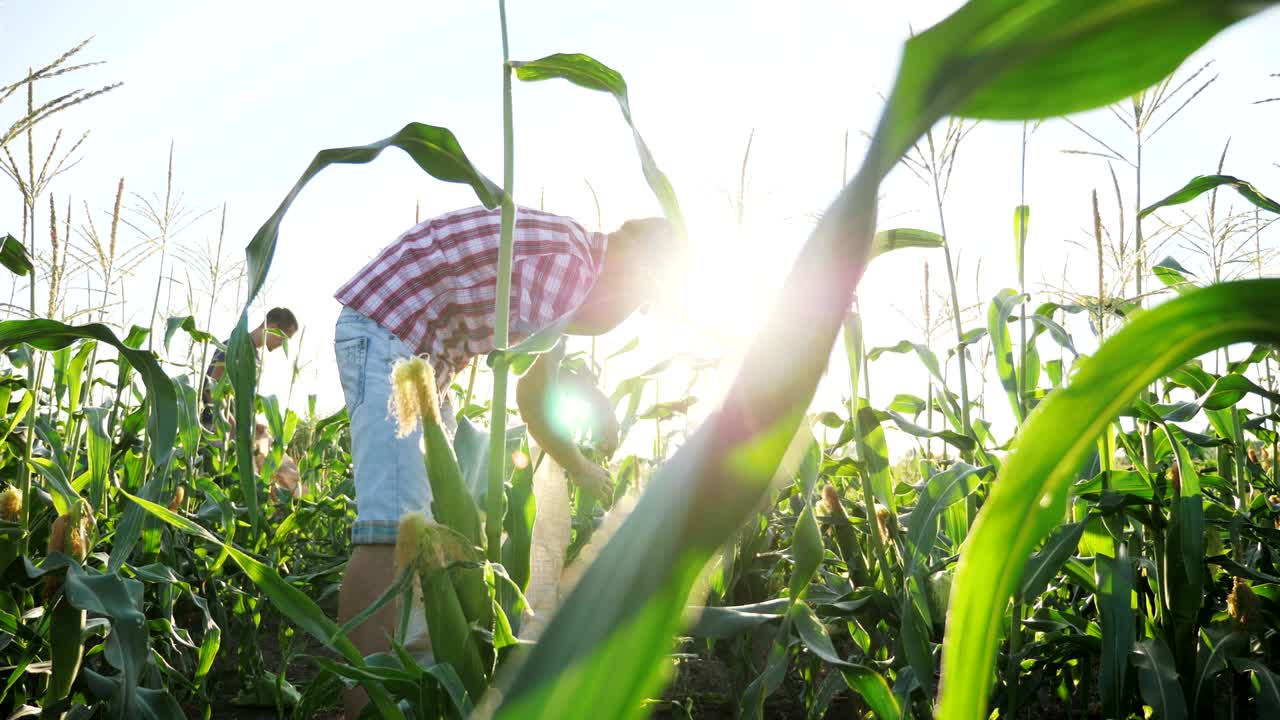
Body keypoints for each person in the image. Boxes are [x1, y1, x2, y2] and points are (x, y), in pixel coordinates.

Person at [333, 205, 680, 717]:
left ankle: (416, 687)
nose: (632, 307)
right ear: (632, 251)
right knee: (393, 528)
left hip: (423, 353)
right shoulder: (574, 264)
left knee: (434, 532)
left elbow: (536, 376)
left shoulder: (571, 257)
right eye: (643, 291)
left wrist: (580, 448)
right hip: (391, 333)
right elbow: (531, 386)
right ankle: (359, 706)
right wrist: (591, 423)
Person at [199, 307, 300, 429]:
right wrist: (232, 426)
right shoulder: (238, 345)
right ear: (273, 328)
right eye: (284, 339)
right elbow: (211, 390)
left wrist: (254, 425)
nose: (283, 345)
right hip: (214, 428)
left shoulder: (256, 357)